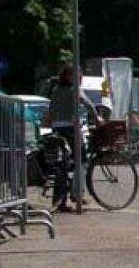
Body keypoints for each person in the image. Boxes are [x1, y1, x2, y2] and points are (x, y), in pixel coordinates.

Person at [42, 64, 101, 211]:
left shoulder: (56, 90)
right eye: (75, 76)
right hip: (70, 128)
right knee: (82, 160)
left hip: (57, 128)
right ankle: (77, 193)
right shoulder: (76, 90)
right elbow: (88, 104)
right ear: (69, 77)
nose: (78, 78)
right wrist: (97, 118)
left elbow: (51, 109)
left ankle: (61, 199)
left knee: (64, 163)